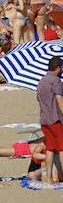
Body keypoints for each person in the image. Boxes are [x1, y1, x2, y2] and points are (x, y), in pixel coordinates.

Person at [37, 56, 63, 184]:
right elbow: (59, 100)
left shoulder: (41, 81)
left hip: (44, 119)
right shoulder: (56, 81)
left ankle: (48, 178)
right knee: (62, 148)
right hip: (56, 119)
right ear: (58, 68)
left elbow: (39, 100)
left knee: (50, 149)